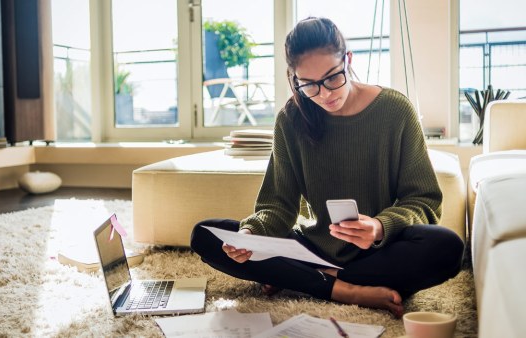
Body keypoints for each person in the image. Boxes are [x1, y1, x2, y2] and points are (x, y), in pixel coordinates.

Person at [190, 16, 464, 318]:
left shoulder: (396, 111)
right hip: (311, 248)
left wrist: (379, 227)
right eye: (308, 85)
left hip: (375, 253)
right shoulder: (291, 119)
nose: (325, 94)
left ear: (347, 59)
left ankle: (305, 279)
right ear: (295, 78)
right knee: (206, 234)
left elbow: (424, 200)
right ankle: (344, 289)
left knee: (447, 247)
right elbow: (278, 205)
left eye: (333, 77)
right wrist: (252, 232)